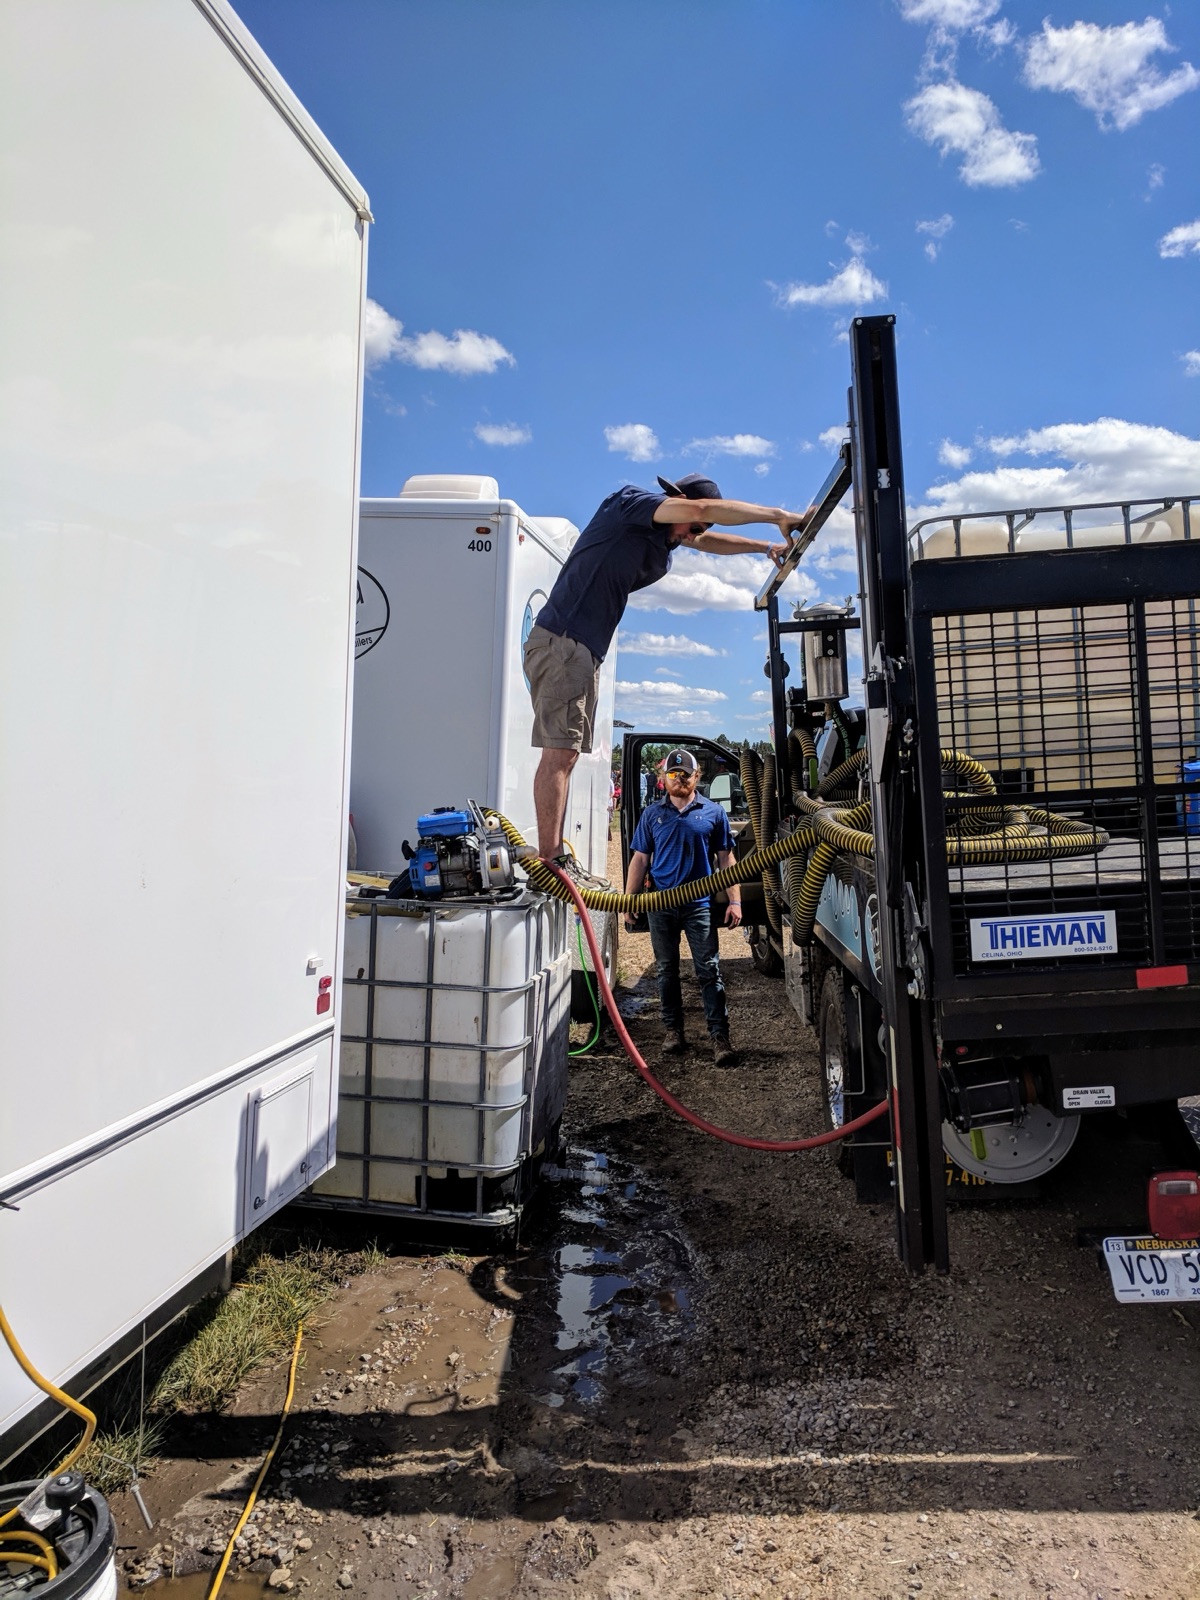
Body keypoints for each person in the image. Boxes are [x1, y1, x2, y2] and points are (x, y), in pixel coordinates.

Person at [523, 473, 809, 862]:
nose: (694, 535)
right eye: (693, 524)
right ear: (678, 501)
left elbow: (707, 536)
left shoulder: (665, 537)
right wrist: (780, 515)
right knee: (559, 754)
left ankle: (554, 855)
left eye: (700, 529)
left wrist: (764, 547)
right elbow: (703, 512)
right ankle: (550, 858)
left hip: (582, 647)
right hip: (565, 639)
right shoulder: (629, 504)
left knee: (568, 754)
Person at [624, 748, 742, 1066]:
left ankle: (720, 1039)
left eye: (685, 774)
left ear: (697, 777)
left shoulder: (714, 813)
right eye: (674, 774)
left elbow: (726, 859)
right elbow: (640, 859)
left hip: (698, 906)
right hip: (661, 905)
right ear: (664, 778)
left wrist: (735, 900)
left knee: (709, 971)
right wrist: (628, 901)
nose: (680, 779)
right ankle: (673, 1032)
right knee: (666, 972)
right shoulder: (652, 815)